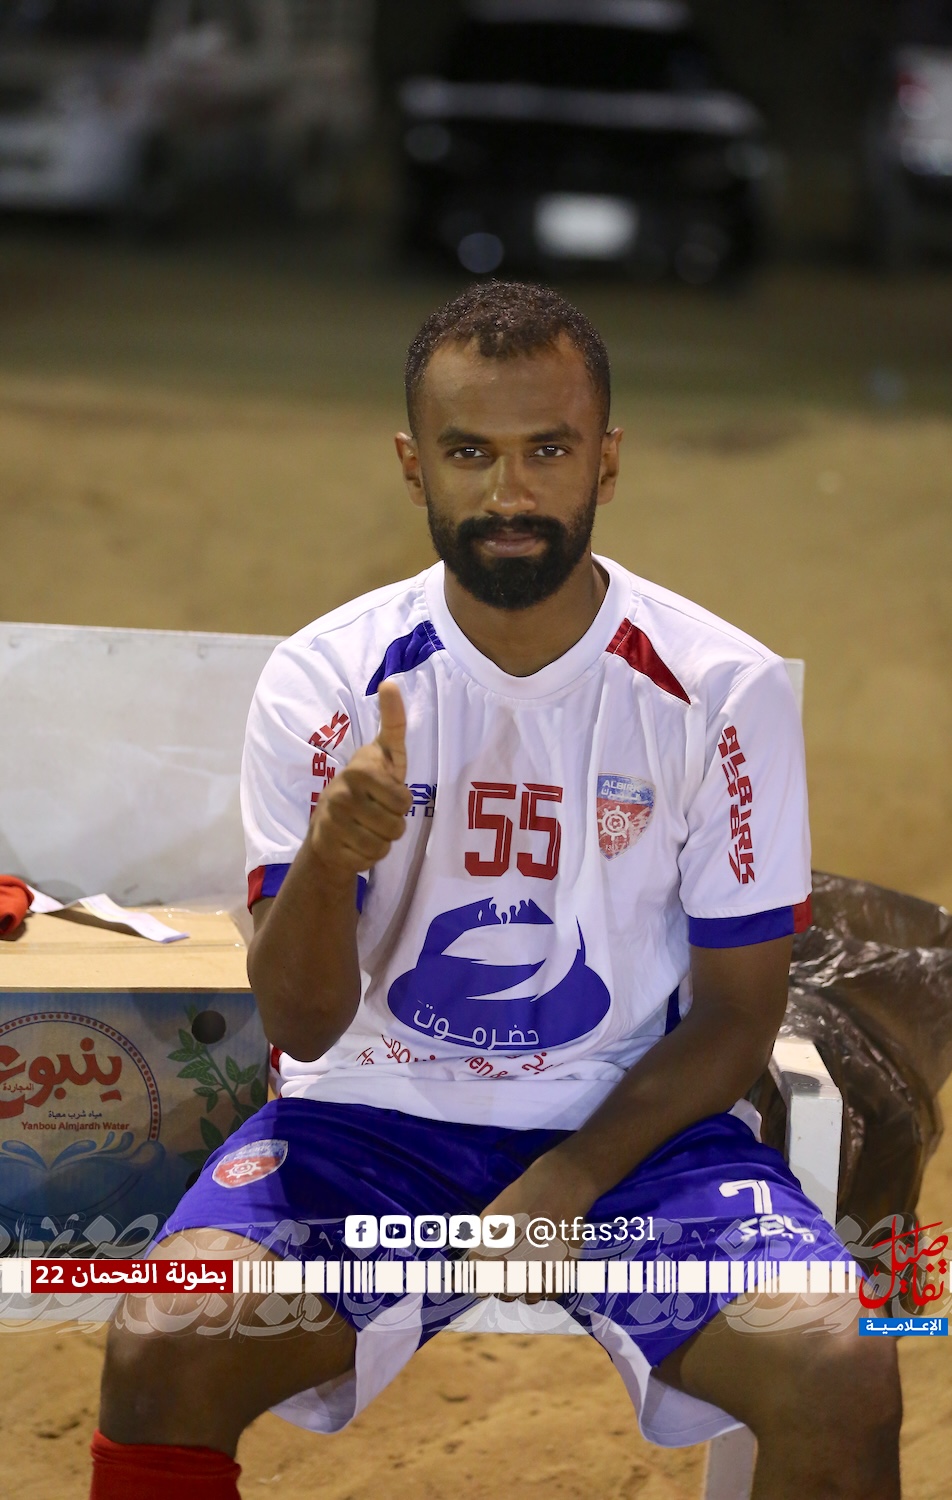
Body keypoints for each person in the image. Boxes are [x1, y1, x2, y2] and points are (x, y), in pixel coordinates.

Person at [91, 282, 901, 1500]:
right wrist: (330, 858)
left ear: (606, 461)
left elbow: (739, 1015)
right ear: (413, 463)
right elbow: (302, 1024)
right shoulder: (327, 678)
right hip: (365, 1125)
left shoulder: (719, 689)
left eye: (548, 452)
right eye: (470, 453)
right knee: (165, 1339)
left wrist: (566, 1182)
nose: (510, 494)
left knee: (839, 1364)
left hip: (638, 1140)